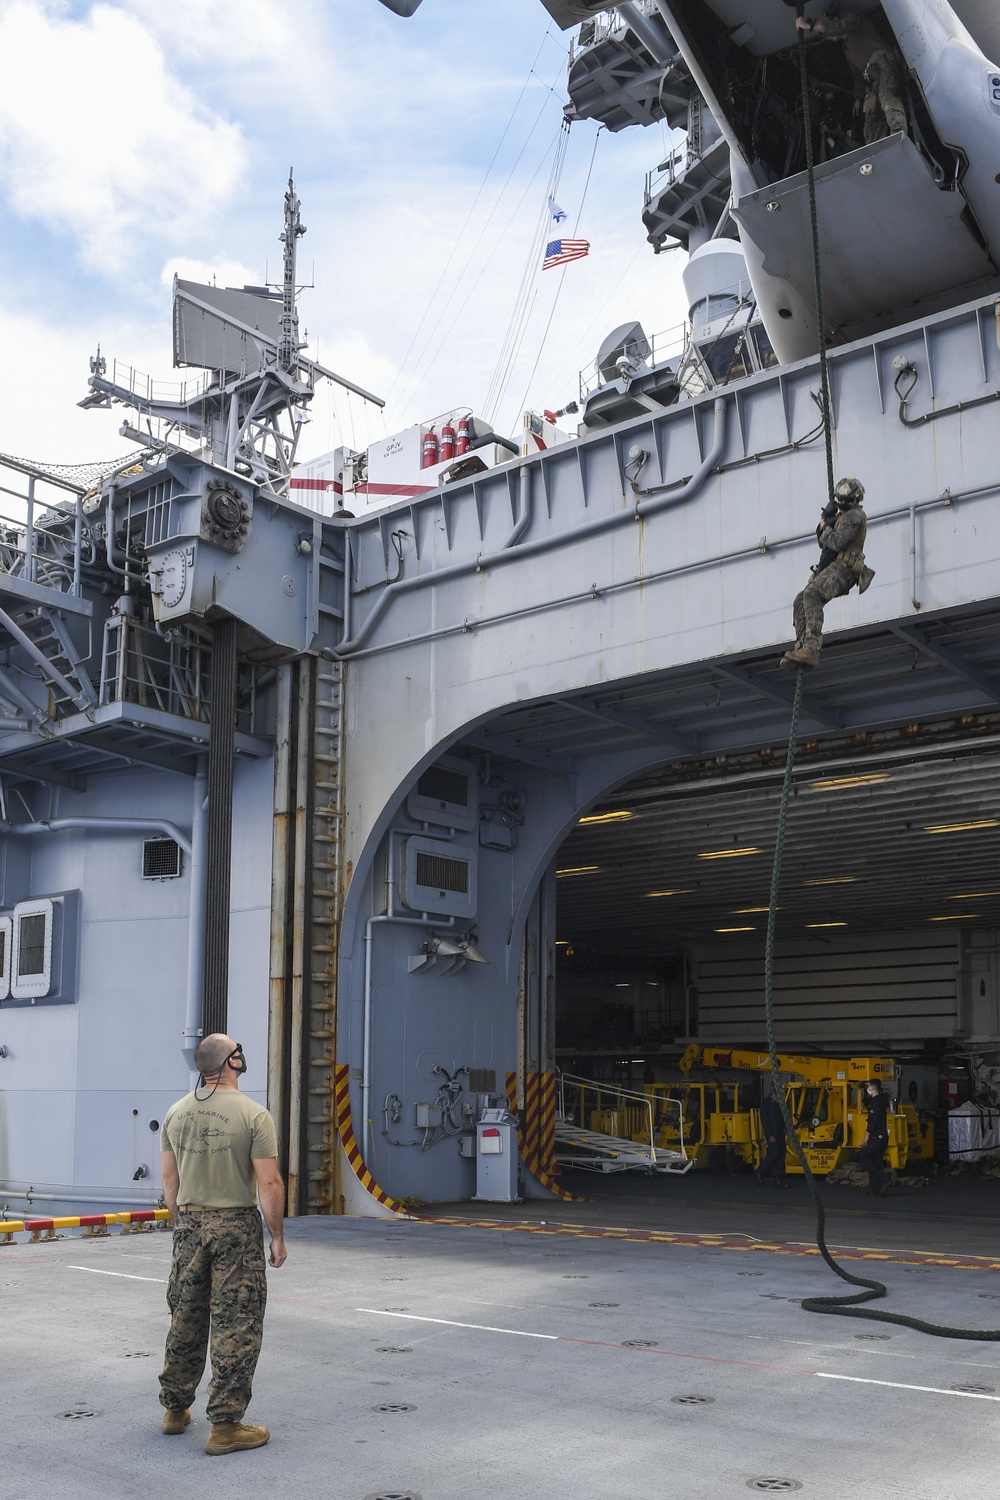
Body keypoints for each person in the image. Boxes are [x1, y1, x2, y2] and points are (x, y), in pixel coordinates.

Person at [158, 1033, 287, 1457]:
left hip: (190, 1225)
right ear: (231, 1062)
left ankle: (175, 1411)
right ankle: (226, 1426)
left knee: (186, 1317)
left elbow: (169, 1182)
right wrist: (277, 1237)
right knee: (237, 1322)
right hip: (234, 1225)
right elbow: (268, 1182)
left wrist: (183, 1228)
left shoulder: (176, 1113)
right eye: (238, 1051)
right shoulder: (253, 1114)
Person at [782, 476, 873, 670]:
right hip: (834, 567)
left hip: (846, 570)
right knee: (800, 600)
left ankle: (811, 649)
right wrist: (824, 525)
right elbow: (824, 543)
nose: (843, 504)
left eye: (846, 501)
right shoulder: (841, 516)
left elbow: (837, 542)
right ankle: (801, 648)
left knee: (812, 594)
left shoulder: (855, 516)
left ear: (856, 499)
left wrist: (825, 528)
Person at [795, 4, 907, 146]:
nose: (828, 36)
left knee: (886, 97)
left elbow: (839, 27)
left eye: (825, 30)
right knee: (871, 116)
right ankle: (876, 150)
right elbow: (857, 75)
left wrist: (809, 26)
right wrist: (858, 98)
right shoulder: (847, 49)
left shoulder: (854, 20)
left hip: (888, 68)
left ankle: (899, 133)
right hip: (876, 80)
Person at [858, 1077, 893, 1195]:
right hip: (883, 1136)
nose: (867, 1088)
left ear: (872, 1088)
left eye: (868, 1086)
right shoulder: (883, 1100)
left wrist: (867, 1135)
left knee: (864, 1156)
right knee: (876, 1160)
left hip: (875, 1135)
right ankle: (876, 1189)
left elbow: (873, 1120)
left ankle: (884, 1178)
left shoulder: (875, 1102)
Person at [757, 1085, 790, 1188]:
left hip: (780, 1132)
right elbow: (765, 1120)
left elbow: (783, 1119)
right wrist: (770, 1134)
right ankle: (760, 1171)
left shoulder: (781, 1103)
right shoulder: (765, 1103)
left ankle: (778, 1178)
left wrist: (788, 1131)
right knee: (774, 1153)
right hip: (772, 1133)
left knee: (781, 1154)